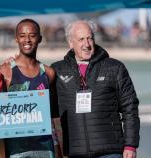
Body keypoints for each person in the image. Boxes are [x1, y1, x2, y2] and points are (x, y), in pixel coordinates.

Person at [51, 20, 140, 158]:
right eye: (81, 39)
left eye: (89, 38)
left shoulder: (115, 68)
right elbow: (45, 104)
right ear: (70, 43)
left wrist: (131, 145)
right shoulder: (57, 70)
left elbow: (130, 108)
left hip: (111, 152)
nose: (86, 44)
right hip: (75, 153)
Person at [0, 19, 62, 158]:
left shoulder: (49, 73)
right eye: (22, 35)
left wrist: (58, 149)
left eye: (32, 35)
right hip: (15, 150)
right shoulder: (4, 71)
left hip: (44, 147)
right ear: (16, 39)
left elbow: (51, 117)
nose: (27, 40)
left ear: (40, 39)